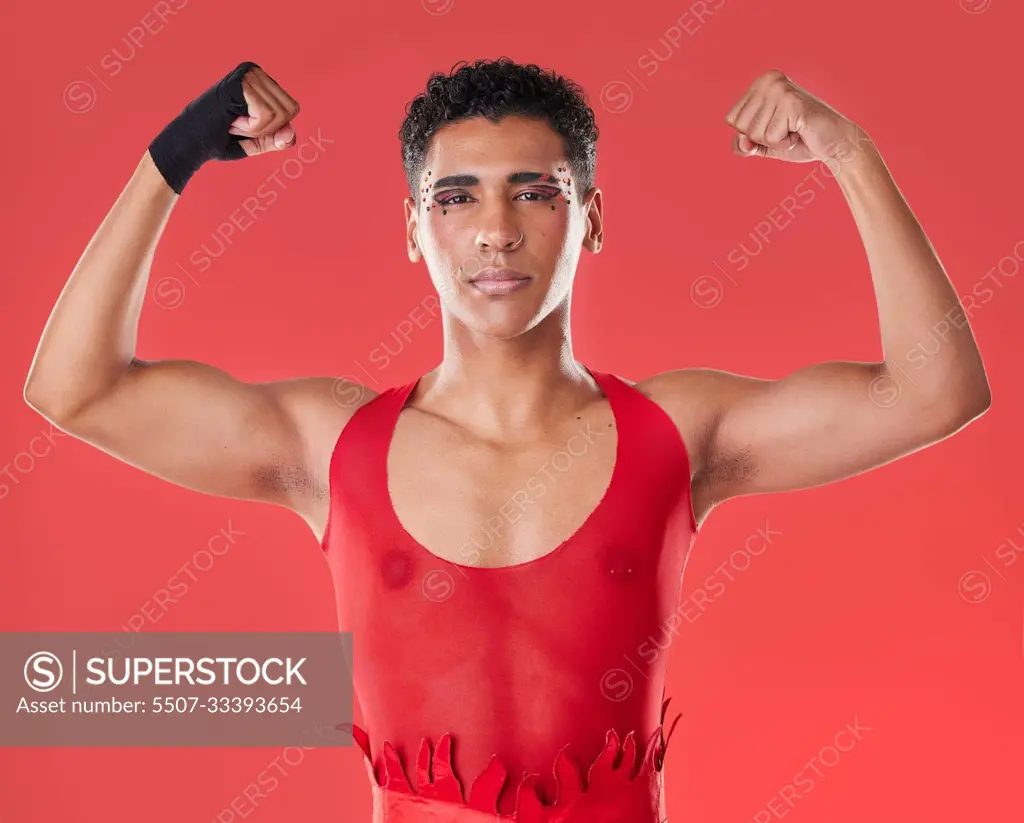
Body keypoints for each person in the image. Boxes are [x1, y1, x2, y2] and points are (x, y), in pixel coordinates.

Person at [24, 58, 990, 822]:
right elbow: (77, 388)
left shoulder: (678, 431)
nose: (496, 231)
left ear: (591, 219)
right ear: (414, 229)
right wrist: (173, 157)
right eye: (457, 197)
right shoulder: (332, 442)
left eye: (535, 192)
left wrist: (849, 154)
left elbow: (933, 390)